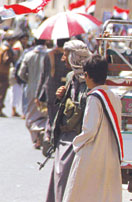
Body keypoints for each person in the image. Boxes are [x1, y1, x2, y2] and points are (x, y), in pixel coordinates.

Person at [62, 55, 122, 202]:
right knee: (104, 194)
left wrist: (76, 144)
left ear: (87, 75)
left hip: (93, 154)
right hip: (110, 153)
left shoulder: (94, 97)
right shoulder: (114, 96)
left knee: (82, 193)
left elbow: (89, 130)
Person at [46, 40, 91, 202]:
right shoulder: (71, 77)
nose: (63, 59)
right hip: (65, 135)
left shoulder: (89, 78)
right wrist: (61, 96)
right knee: (59, 176)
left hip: (78, 137)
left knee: (65, 175)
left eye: (65, 55)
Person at [17, 39, 49, 149]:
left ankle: (36, 138)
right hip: (46, 89)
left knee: (31, 114)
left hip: (31, 89)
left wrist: (29, 81)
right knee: (45, 113)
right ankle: (43, 132)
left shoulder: (28, 55)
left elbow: (21, 73)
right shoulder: (50, 55)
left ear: (34, 42)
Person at [0, 32, 17, 117]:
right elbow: (6, 59)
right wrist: (13, 59)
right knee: (2, 92)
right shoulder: (7, 49)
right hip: (3, 72)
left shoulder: (0, 47)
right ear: (10, 41)